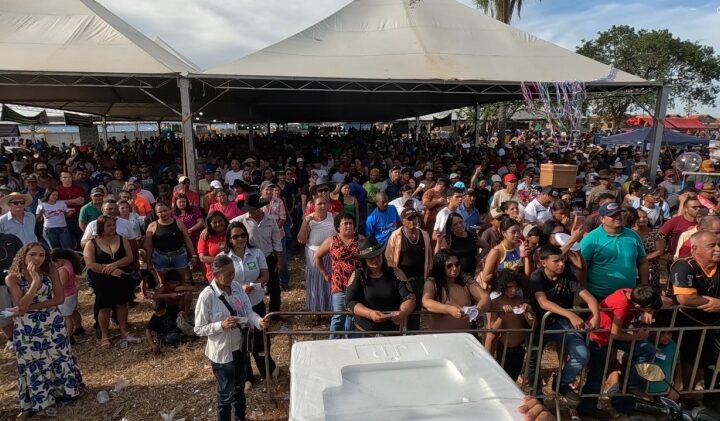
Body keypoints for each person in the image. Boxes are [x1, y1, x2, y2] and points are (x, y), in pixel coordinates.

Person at [5, 242, 84, 418]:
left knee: (58, 357)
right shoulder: (12, 278)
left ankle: (65, 392)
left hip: (52, 323)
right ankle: (39, 399)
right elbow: (21, 304)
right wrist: (35, 282)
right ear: (23, 256)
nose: (37, 259)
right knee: (33, 362)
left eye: (41, 255)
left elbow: (59, 299)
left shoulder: (50, 271)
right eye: (33, 254)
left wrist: (29, 307)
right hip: (27, 328)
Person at [194, 254, 269, 421]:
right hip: (222, 353)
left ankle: (240, 418)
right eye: (228, 273)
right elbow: (199, 328)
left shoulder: (236, 287)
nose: (232, 276)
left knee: (239, 389)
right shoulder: (207, 296)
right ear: (216, 275)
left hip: (240, 348)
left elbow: (248, 311)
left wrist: (259, 321)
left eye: (233, 272)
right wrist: (221, 325)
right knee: (225, 394)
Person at [527, 245, 600, 402]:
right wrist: (570, 315)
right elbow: (543, 303)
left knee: (582, 354)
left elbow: (589, 297)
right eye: (556, 261)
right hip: (537, 324)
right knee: (533, 362)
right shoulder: (536, 276)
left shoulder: (567, 275)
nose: (561, 264)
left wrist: (596, 316)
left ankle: (562, 383)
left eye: (562, 260)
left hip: (560, 323)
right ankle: (537, 397)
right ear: (543, 262)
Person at [578, 285, 664, 419]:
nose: (650, 311)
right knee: (597, 374)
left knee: (646, 349)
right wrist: (638, 337)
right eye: (649, 308)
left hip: (610, 335)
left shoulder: (633, 293)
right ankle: (587, 407)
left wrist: (649, 311)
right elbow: (615, 334)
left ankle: (632, 386)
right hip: (600, 338)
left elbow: (665, 302)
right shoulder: (621, 305)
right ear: (638, 305)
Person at [220, 221, 278, 390]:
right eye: (235, 236)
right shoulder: (223, 258)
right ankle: (246, 376)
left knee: (260, 338)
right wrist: (238, 289)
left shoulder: (257, 253)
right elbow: (220, 282)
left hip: (256, 302)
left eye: (243, 235)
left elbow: (266, 276)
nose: (240, 239)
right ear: (229, 239)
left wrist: (252, 285)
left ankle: (267, 368)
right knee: (241, 341)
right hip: (235, 307)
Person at [667, 231, 720, 407]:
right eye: (712, 246)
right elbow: (685, 299)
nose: (718, 249)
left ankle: (711, 396)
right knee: (690, 359)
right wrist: (714, 303)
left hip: (713, 322)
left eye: (719, 244)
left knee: (709, 359)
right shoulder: (684, 266)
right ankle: (686, 397)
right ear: (695, 248)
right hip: (685, 321)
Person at [83, 215, 140, 349]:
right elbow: (90, 264)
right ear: (101, 227)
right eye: (108, 225)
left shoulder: (122, 239)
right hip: (102, 278)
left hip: (121, 276)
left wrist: (114, 265)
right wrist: (109, 271)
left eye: (113, 225)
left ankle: (123, 331)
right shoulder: (92, 243)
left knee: (122, 303)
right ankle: (105, 335)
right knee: (104, 306)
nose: (112, 227)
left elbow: (129, 257)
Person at [580, 202, 649, 300]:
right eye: (612, 215)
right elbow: (581, 269)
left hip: (629, 296)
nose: (618, 217)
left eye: (619, 213)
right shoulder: (591, 239)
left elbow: (642, 263)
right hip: (599, 297)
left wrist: (644, 288)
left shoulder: (633, 236)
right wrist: (585, 295)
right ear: (602, 219)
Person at [345, 237, 415, 332]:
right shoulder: (358, 275)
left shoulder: (396, 273)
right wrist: (370, 314)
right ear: (364, 260)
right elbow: (349, 302)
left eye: (377, 255)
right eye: (371, 257)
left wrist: (403, 312)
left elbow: (409, 297)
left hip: (391, 330)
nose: (375, 259)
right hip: (364, 331)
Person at [233, 192, 284, 314]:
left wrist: (279, 261)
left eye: (253, 209)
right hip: (251, 259)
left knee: (274, 286)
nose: (250, 212)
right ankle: (253, 311)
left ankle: (275, 313)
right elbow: (227, 227)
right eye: (248, 209)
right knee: (253, 286)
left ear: (259, 208)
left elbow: (277, 241)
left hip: (268, 257)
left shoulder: (270, 220)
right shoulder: (240, 221)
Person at [313, 213, 360, 338]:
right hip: (339, 285)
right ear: (338, 227)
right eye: (345, 223)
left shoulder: (360, 240)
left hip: (357, 286)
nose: (349, 226)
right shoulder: (331, 241)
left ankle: (349, 342)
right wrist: (324, 273)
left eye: (351, 223)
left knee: (353, 316)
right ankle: (332, 342)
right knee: (339, 316)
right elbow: (317, 257)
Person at [385, 208, 433, 331]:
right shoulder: (396, 235)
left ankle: (413, 336)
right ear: (403, 221)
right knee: (400, 309)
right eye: (409, 218)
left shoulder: (424, 235)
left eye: (415, 218)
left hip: (419, 280)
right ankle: (397, 334)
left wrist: (427, 277)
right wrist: (392, 279)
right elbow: (389, 258)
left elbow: (429, 257)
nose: (413, 221)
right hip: (401, 282)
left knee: (416, 312)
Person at [422, 249, 490, 331]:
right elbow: (426, 301)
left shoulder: (466, 280)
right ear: (440, 267)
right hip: (440, 336)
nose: (454, 268)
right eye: (449, 266)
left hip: (465, 335)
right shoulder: (432, 282)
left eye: (457, 264)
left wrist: (478, 309)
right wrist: (449, 309)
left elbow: (485, 297)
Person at [486, 270, 534, 382]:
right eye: (509, 287)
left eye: (515, 287)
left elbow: (533, 325)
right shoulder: (496, 302)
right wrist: (502, 316)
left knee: (514, 377)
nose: (513, 290)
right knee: (502, 379)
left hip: (520, 348)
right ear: (502, 287)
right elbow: (492, 330)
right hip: (504, 349)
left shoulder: (521, 301)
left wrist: (529, 312)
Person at [297, 195, 335, 318]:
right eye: (319, 204)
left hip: (330, 254)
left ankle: (331, 310)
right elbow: (301, 240)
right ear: (314, 206)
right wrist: (305, 223)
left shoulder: (333, 217)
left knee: (329, 280)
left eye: (325, 203)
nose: (323, 206)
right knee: (316, 282)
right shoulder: (309, 220)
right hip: (314, 254)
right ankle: (317, 312)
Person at [144, 201, 197, 285]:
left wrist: (193, 254)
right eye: (160, 212)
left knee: (182, 282)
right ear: (156, 213)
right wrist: (148, 261)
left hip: (179, 256)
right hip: (160, 257)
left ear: (170, 210)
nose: (163, 213)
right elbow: (149, 246)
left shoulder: (179, 223)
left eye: (165, 210)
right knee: (163, 283)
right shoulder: (152, 226)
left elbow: (187, 239)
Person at [481, 218, 527, 293]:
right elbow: (485, 278)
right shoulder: (496, 251)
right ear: (503, 233)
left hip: (518, 291)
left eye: (518, 231)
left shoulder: (520, 248)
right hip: (500, 292)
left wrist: (527, 257)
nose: (517, 235)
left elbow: (527, 275)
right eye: (513, 232)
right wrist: (507, 271)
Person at [51, 248, 84, 344]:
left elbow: (62, 285)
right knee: (73, 311)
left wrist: (53, 290)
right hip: (72, 292)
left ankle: (69, 336)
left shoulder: (62, 270)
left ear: (59, 260)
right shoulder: (70, 264)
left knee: (66, 317)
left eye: (53, 263)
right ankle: (79, 328)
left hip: (65, 296)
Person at [435, 212, 478, 277]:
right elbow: (438, 256)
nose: (459, 225)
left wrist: (478, 258)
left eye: (460, 222)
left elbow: (486, 246)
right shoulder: (448, 238)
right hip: (456, 277)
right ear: (451, 228)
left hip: (472, 275)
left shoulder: (472, 235)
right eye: (455, 224)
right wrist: (439, 241)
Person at [0, 233, 23, 348]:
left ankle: (26, 335)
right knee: (3, 315)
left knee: (23, 309)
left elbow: (23, 256)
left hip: (17, 282)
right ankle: (12, 339)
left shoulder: (11, 238)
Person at [633, 209, 666, 288]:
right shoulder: (630, 233)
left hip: (652, 268)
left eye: (644, 217)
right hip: (633, 267)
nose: (642, 219)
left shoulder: (655, 233)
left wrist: (642, 260)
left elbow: (659, 251)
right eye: (639, 217)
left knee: (651, 290)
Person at [197, 211, 229, 283]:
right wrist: (224, 261)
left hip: (233, 271)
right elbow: (202, 258)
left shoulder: (231, 232)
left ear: (224, 220)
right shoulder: (205, 236)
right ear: (209, 224)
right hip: (215, 274)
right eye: (214, 222)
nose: (218, 224)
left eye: (220, 221)